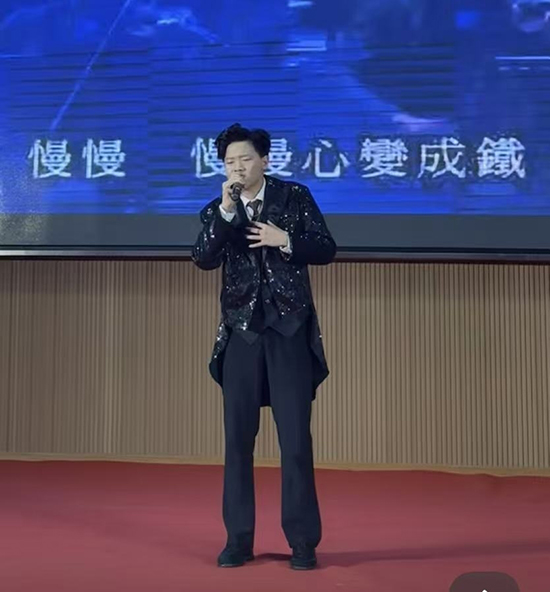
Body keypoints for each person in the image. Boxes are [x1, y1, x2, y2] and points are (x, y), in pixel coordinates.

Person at [192, 123, 336, 570]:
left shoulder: (294, 197)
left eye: (245, 159)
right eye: (229, 162)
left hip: (288, 330)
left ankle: (303, 542)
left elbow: (326, 248)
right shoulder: (220, 208)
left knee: (295, 441)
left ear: (264, 160)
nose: (237, 168)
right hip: (242, 333)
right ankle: (238, 540)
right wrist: (225, 211)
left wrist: (284, 239)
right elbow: (203, 257)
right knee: (238, 441)